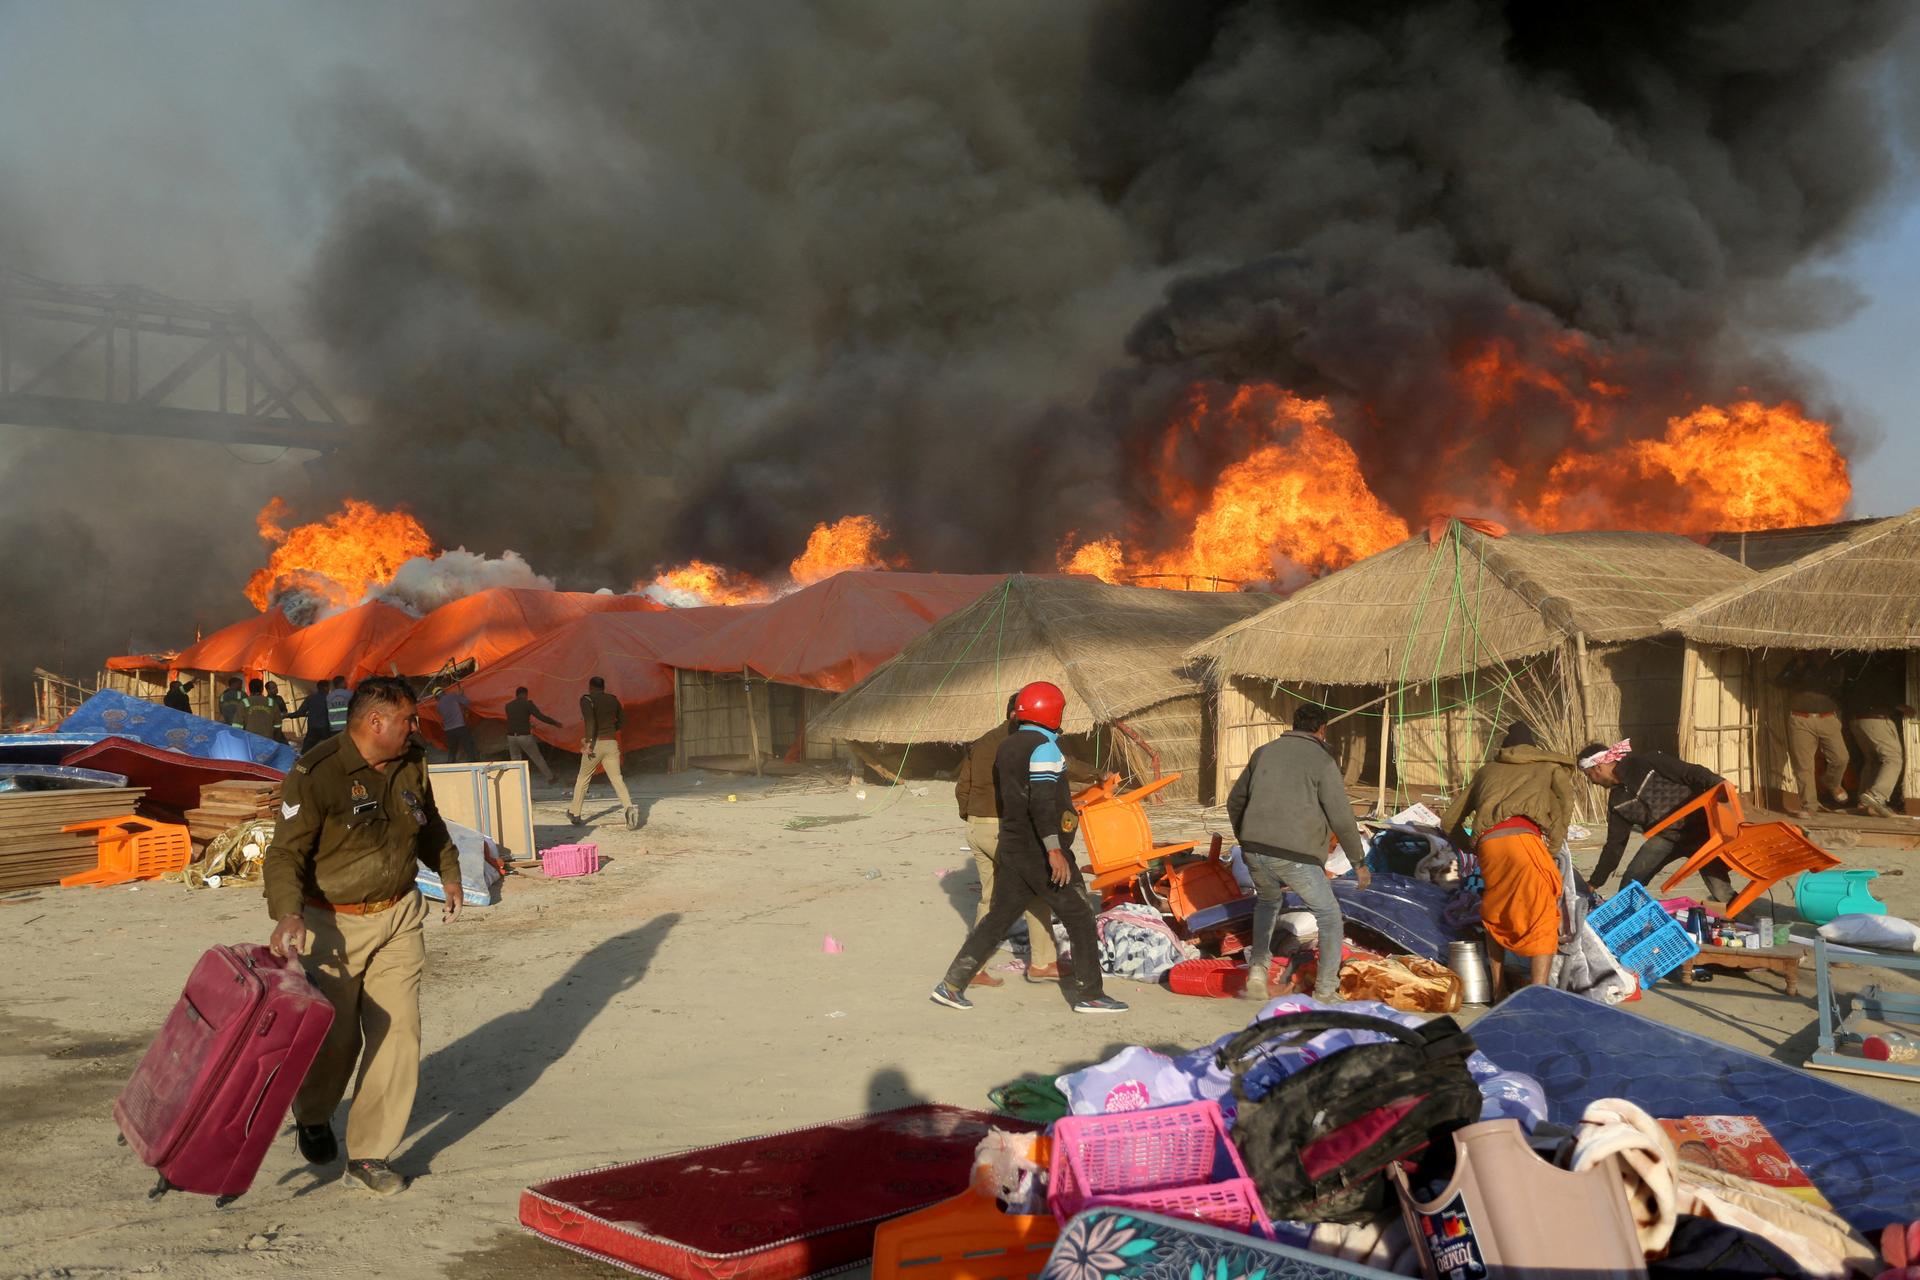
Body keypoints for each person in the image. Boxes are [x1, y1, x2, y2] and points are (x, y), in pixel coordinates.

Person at [263, 676, 463, 1197]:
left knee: (398, 1030)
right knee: (339, 1037)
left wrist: (449, 870)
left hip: (399, 914)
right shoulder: (317, 773)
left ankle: (370, 1154)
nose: (416, 727)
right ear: (375, 723)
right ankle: (312, 1113)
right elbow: (285, 854)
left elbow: (429, 820)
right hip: (333, 922)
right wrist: (287, 914)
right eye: (408, 720)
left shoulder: (411, 760)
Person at [930, 681, 1127, 1014]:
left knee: (997, 919)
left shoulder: (1009, 745)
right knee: (1079, 915)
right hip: (1039, 849)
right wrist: (1054, 850)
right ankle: (1090, 994)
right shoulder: (1044, 749)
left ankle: (951, 985)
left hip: (1012, 844)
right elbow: (1041, 801)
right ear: (1051, 711)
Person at [1226, 704, 1371, 1004]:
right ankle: (1325, 990)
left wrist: (1246, 836)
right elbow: (1342, 818)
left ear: (1294, 724)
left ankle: (1257, 971)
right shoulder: (1322, 760)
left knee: (1267, 902)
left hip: (1254, 849)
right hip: (1297, 856)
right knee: (1329, 916)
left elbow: (1235, 800)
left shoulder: (1263, 752)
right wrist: (1358, 862)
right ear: (1322, 730)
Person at [1443, 722, 1576, 997]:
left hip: (1490, 845)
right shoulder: (1548, 767)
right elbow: (1566, 801)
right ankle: (1539, 993)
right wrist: (1553, 844)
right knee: (1542, 916)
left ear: (1504, 748)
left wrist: (1473, 847)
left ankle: (1499, 989)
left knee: (1496, 910)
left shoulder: (1486, 771)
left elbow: (1448, 822)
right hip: (1525, 841)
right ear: (1534, 748)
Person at [954, 698, 1064, 987]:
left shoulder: (980, 742)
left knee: (989, 899)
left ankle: (973, 967)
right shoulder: (1022, 743)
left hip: (976, 828)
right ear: (1018, 714)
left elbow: (961, 787)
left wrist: (973, 816)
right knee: (1038, 892)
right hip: (1002, 830)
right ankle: (1042, 963)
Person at [1578, 740, 1734, 904]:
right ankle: (1631, 924)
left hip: (1700, 831)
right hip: (1666, 838)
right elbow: (1615, 845)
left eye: (1589, 775)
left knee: (1722, 893)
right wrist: (1595, 882)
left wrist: (1720, 784)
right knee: (1629, 887)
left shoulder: (1648, 763)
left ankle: (1748, 918)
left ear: (1598, 767)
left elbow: (1692, 773)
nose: (1592, 781)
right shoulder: (1617, 802)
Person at [1778, 654, 1850, 816]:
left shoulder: (1835, 665)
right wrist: (1797, 667)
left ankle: (1832, 782)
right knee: (1804, 765)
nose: (1820, 651)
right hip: (1800, 718)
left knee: (1841, 757)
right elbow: (1780, 682)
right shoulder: (1798, 664)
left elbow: (1841, 689)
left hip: (1828, 718)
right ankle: (1809, 806)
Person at [1843, 656, 1911, 820]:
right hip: (1876, 718)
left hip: (1857, 720)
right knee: (1893, 758)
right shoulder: (1885, 671)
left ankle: (1864, 803)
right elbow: (1883, 693)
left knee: (1872, 760)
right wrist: (1900, 705)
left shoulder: (1862, 669)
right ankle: (1876, 795)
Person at [569, 675, 633, 825]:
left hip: (596, 744)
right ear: (603, 687)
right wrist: (611, 730)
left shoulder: (587, 700)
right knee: (617, 779)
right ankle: (629, 808)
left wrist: (589, 743)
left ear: (590, 687)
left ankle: (575, 813)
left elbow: (590, 721)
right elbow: (623, 721)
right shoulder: (613, 700)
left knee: (583, 778)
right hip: (611, 743)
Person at [503, 685, 561, 785]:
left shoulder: (508, 705)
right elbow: (540, 716)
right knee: (537, 757)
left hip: (511, 736)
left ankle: (516, 781)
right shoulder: (527, 704)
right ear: (524, 694)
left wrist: (528, 724)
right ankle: (550, 778)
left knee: (515, 759)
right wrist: (554, 723)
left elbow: (515, 719)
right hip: (524, 736)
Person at [436, 682, 476, 763]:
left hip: (449, 731)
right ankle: (473, 763)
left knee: (452, 750)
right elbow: (467, 702)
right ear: (443, 692)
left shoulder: (438, 706)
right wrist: (461, 695)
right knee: (468, 746)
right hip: (460, 727)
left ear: (436, 697)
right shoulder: (452, 696)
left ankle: (450, 765)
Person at [296, 682, 335, 753]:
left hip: (312, 728)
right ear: (325, 688)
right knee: (329, 749)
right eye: (328, 687)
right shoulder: (330, 698)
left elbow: (300, 712)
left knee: (306, 750)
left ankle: (302, 761)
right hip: (325, 727)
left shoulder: (310, 698)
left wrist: (288, 715)